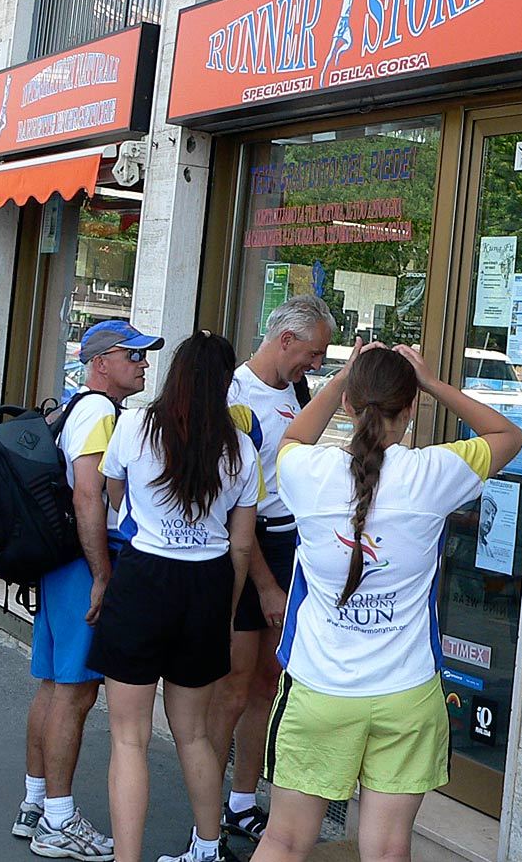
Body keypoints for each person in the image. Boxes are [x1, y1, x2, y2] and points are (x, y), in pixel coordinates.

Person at [252, 344, 522, 862]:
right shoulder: (434, 473)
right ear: (411, 408)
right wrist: (434, 382)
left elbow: (291, 438)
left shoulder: (307, 473)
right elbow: (508, 436)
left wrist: (342, 377)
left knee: (284, 841)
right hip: (407, 693)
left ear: (349, 405)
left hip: (319, 689)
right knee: (388, 850)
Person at [90, 331, 262, 862]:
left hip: (144, 579)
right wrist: (227, 610)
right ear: (225, 383)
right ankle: (207, 849)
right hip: (207, 585)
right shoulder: (241, 448)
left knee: (129, 738)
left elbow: (113, 494)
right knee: (194, 735)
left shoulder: (135, 426)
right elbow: (241, 544)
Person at [14, 319, 163, 860]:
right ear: (100, 363)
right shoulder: (100, 412)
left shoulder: (78, 407)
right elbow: (87, 496)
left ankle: (35, 804)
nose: (143, 364)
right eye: (133, 355)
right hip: (82, 565)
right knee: (75, 692)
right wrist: (102, 573)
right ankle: (58, 820)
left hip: (60, 565)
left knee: (55, 686)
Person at [208, 295, 335, 842]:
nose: (316, 364)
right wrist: (263, 585)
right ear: (286, 340)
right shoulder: (234, 395)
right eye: (314, 353)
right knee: (233, 687)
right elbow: (235, 508)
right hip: (246, 543)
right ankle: (204, 815)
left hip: (289, 542)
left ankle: (241, 802)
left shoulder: (296, 391)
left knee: (268, 682)